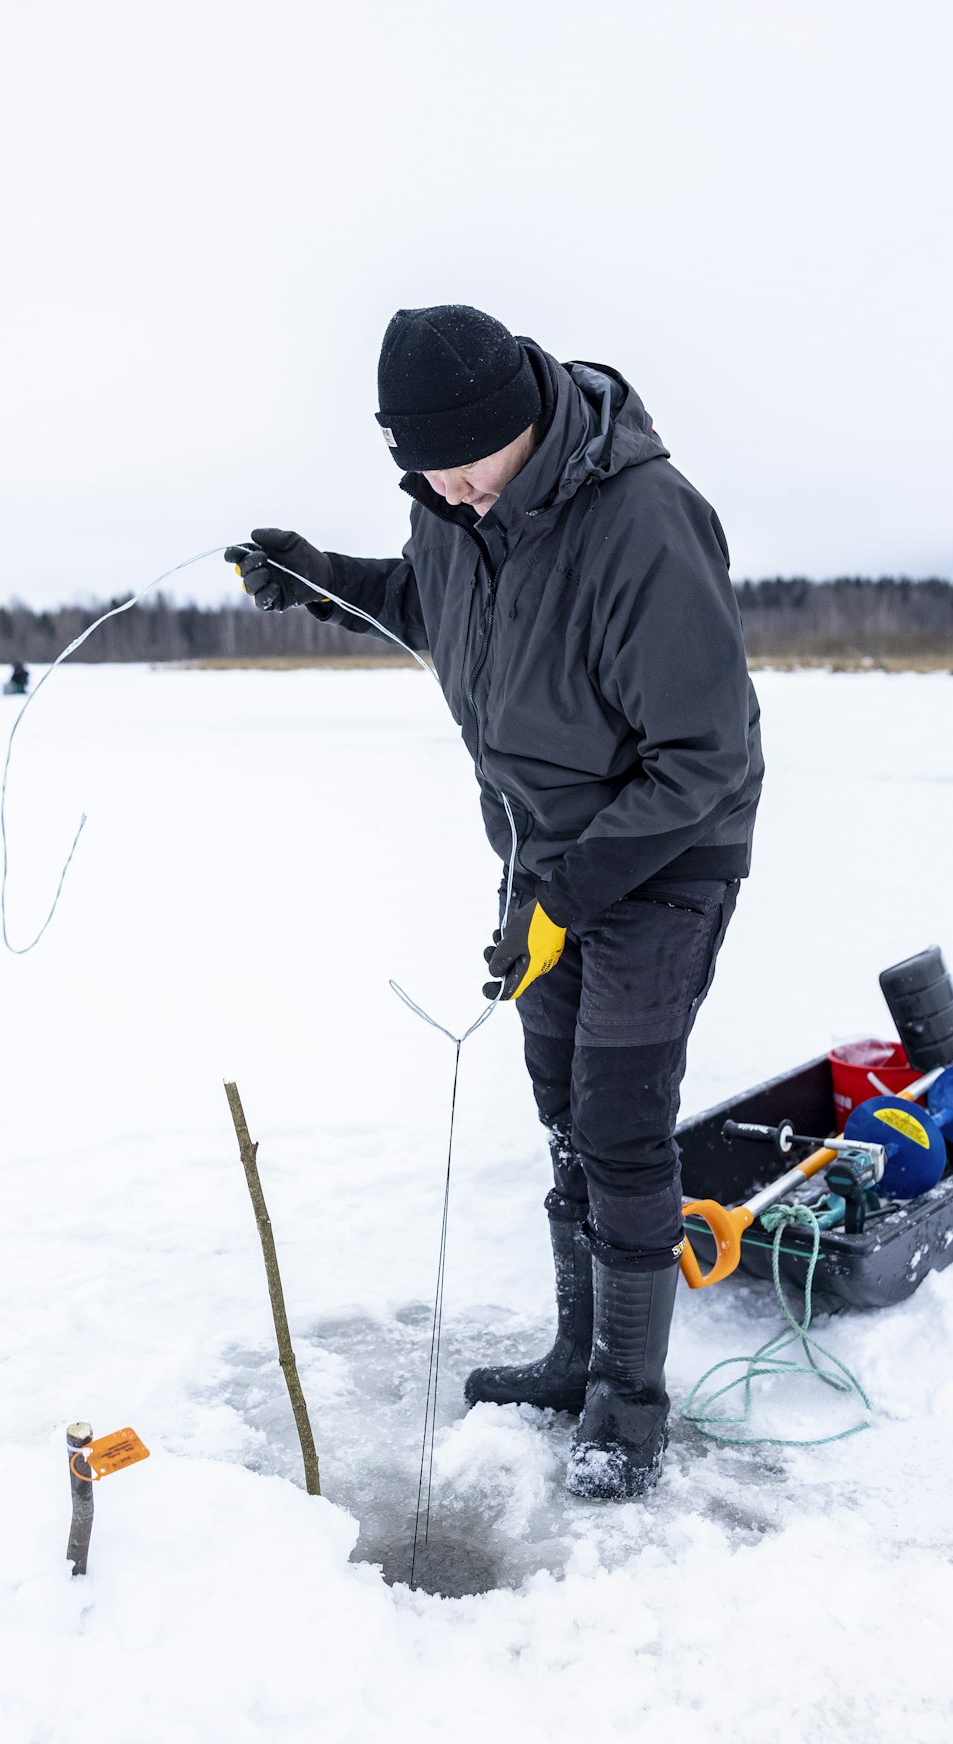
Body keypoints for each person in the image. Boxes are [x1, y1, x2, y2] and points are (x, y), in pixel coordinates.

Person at [227, 305, 763, 1500]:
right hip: (545, 859)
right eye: (428, 472)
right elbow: (441, 606)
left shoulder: (641, 521)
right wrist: (323, 581)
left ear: (522, 420)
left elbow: (702, 757)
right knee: (562, 1105)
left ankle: (629, 1405)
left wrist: (565, 898)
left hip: (667, 853)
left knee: (620, 1121)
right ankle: (578, 1357)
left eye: (466, 466)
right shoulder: (456, 509)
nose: (451, 492)